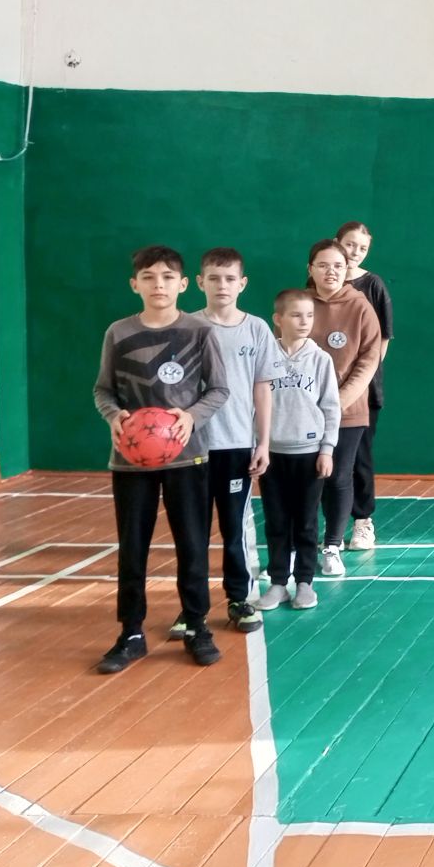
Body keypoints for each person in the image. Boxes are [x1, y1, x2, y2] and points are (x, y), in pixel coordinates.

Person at [93, 245, 229, 673]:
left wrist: (191, 417)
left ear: (183, 284)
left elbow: (218, 390)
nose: (159, 284)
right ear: (134, 284)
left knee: (192, 546)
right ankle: (131, 633)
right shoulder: (118, 332)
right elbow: (103, 390)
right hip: (131, 464)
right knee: (132, 548)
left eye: (168, 277)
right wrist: (114, 416)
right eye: (149, 277)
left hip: (187, 459)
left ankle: (196, 626)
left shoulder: (199, 332)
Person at [189, 247, 280, 637]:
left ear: (242, 284)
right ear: (200, 282)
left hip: (237, 446)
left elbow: (263, 388)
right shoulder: (187, 327)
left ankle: (239, 598)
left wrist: (263, 442)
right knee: (192, 531)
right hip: (192, 448)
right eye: (214, 278)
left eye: (229, 279)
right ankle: (191, 608)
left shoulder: (256, 329)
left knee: (234, 529)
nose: (222, 285)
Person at [256, 289, 341, 611]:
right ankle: (278, 583)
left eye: (309, 315)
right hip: (272, 454)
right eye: (296, 315)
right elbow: (253, 406)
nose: (304, 321)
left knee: (306, 522)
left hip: (309, 455)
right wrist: (258, 445)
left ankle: (305, 582)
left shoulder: (321, 360)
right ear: (278, 319)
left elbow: (331, 408)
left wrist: (327, 449)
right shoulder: (264, 358)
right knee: (276, 521)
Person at [306, 238, 382, 576]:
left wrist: (337, 402)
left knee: (338, 476)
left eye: (338, 265)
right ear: (311, 269)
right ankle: (301, 546)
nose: (331, 272)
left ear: (347, 269)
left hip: (348, 412)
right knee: (309, 479)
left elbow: (368, 360)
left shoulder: (361, 306)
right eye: (323, 265)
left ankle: (333, 545)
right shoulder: (299, 304)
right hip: (303, 413)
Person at [335, 221, 393, 552]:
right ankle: (333, 527)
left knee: (359, 458)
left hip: (363, 391)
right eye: (350, 244)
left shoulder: (373, 285)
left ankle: (362, 522)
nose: (355, 252)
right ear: (336, 242)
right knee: (327, 459)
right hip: (325, 389)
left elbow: (382, 339)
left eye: (362, 248)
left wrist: (361, 380)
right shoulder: (321, 281)